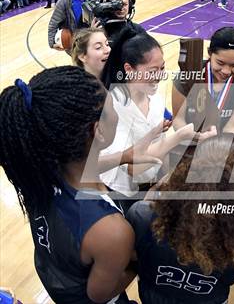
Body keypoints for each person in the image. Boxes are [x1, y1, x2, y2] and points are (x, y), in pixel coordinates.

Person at [0, 66, 136, 303]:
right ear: (99, 131)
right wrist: (138, 261)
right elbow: (99, 295)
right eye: (111, 103)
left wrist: (123, 156)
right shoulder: (111, 232)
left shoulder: (37, 170)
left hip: (57, 269)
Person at [126, 134, 234, 304]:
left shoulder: (143, 215)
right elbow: (232, 277)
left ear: (187, 169)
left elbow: (135, 257)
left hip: (153, 296)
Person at [100, 29, 195, 197]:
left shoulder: (156, 99)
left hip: (149, 185)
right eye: (153, 71)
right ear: (129, 69)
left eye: (163, 67)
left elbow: (159, 148)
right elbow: (132, 168)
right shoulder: (114, 105)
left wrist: (163, 181)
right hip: (120, 192)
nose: (160, 75)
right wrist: (177, 138)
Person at [172, 26, 234, 136]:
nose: (226, 71)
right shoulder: (188, 75)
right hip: (190, 145)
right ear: (209, 53)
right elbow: (178, 121)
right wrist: (196, 138)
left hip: (222, 147)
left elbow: (231, 127)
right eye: (220, 63)